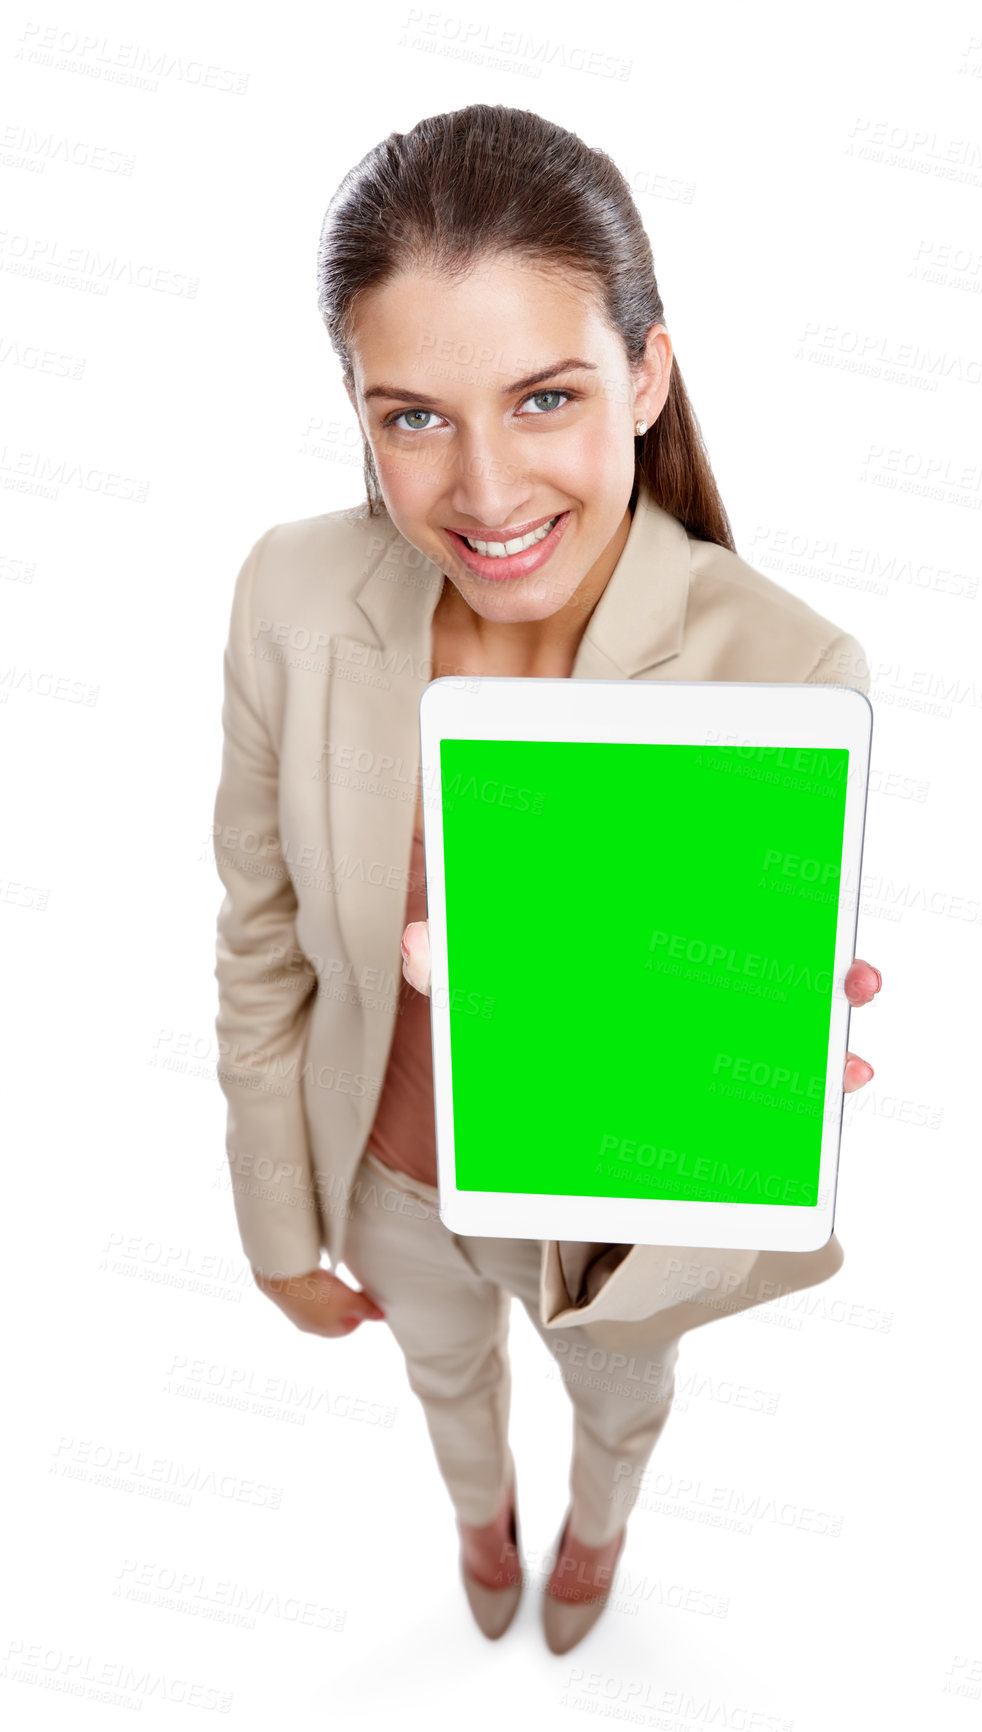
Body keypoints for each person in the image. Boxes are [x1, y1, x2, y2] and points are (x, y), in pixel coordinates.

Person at [212, 103, 883, 1655]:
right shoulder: (292, 592)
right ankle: (481, 1521)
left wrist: (755, 1085)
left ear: (644, 375)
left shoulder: (779, 668)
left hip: (597, 1222)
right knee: (443, 1377)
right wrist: (273, 1224)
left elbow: (719, 1076)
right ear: (358, 409)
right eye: (414, 417)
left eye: (545, 397)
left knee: (617, 1399)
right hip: (378, 1177)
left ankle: (593, 1532)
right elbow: (261, 935)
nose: (487, 490)